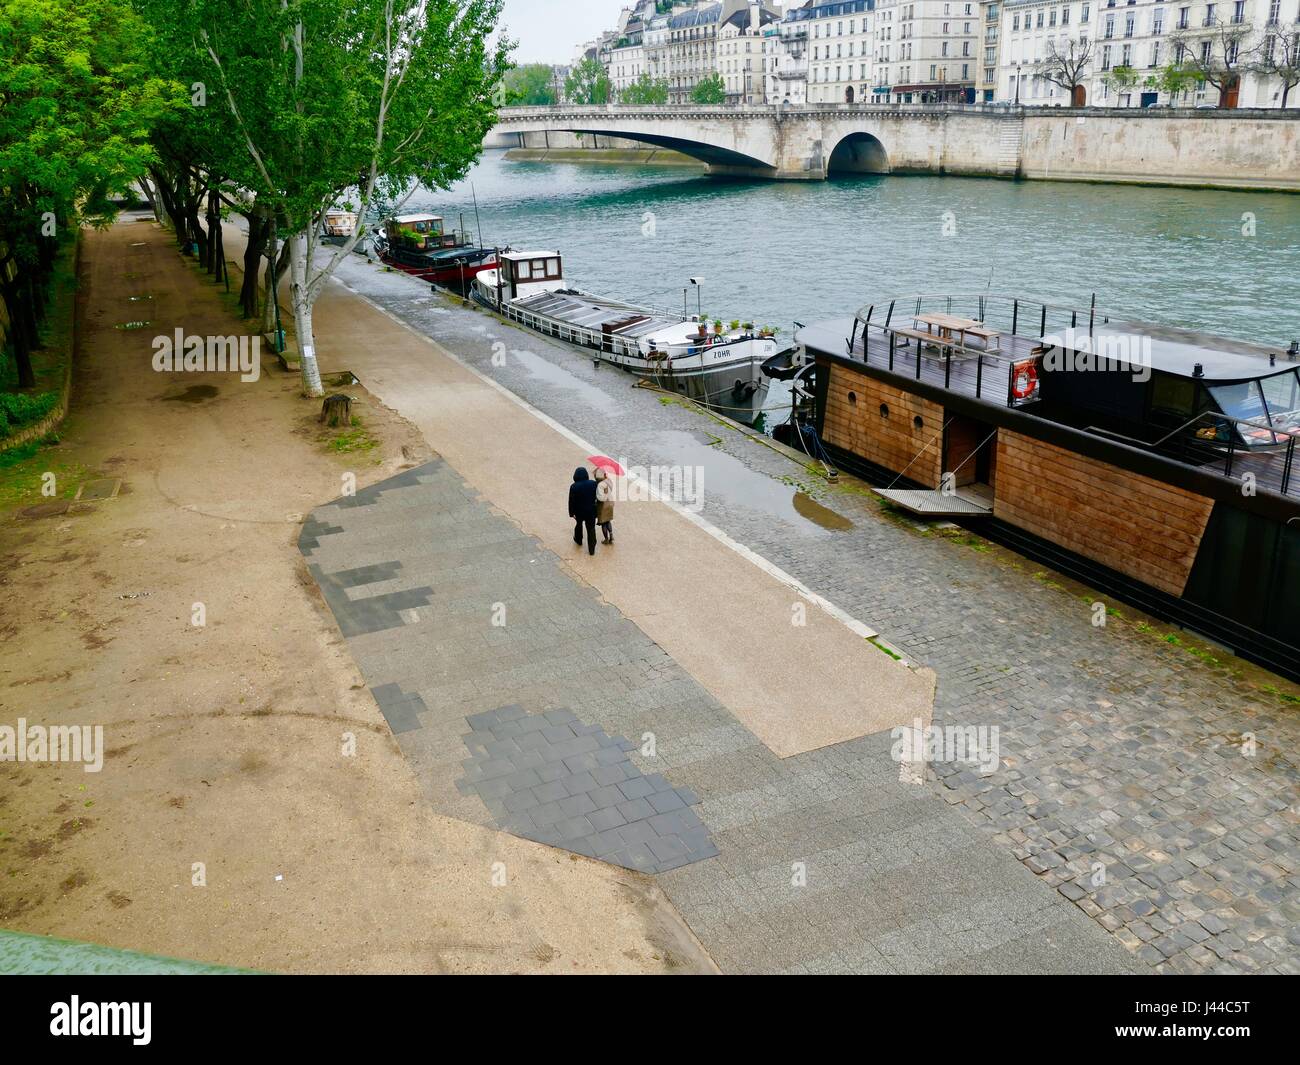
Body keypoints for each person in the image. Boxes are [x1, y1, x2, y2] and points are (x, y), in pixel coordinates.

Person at [569, 467, 598, 555]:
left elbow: (571, 501)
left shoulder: (574, 486)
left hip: (579, 511)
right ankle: (592, 549)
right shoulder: (593, 484)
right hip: (591, 511)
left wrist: (571, 513)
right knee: (591, 529)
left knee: (579, 524)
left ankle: (578, 540)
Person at [594, 467, 615, 544]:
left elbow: (601, 498)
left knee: (603, 523)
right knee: (608, 521)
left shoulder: (600, 485)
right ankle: (611, 535)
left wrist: (597, 496)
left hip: (603, 506)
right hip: (610, 503)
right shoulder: (608, 481)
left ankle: (606, 539)